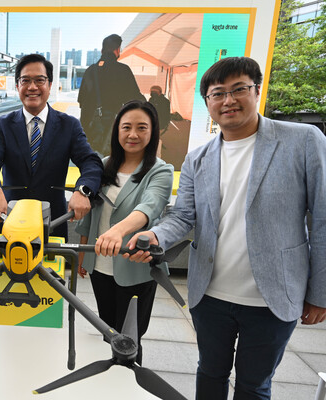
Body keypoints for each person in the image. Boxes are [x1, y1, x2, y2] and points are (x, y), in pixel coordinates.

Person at [127, 57, 326, 399]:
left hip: (272, 297)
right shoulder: (198, 158)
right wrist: (155, 235)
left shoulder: (303, 140)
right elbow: (183, 216)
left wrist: (320, 293)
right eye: (218, 93)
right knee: (209, 373)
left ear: (257, 90)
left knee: (254, 385)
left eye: (239, 89)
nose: (228, 100)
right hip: (210, 296)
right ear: (208, 102)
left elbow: (322, 219)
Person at [75, 100, 173, 366]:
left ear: (153, 132)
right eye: (126, 127)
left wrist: (117, 232)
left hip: (136, 267)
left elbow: (150, 206)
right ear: (117, 130)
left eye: (142, 128)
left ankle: (129, 379)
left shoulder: (160, 171)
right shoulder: (103, 166)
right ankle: (108, 378)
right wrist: (83, 254)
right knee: (107, 330)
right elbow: (91, 214)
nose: (133, 134)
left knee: (130, 338)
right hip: (100, 266)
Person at [0, 53, 103, 240]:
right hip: (10, 220)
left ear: (50, 85)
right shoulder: (3, 124)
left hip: (53, 224)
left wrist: (82, 191)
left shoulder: (69, 125)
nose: (32, 87)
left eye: (39, 80)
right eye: (25, 80)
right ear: (17, 85)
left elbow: (90, 162)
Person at [78, 34, 145, 156]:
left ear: (102, 50)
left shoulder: (90, 70)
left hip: (89, 130)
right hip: (111, 129)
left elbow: (81, 100)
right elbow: (136, 98)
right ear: (117, 50)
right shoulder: (123, 70)